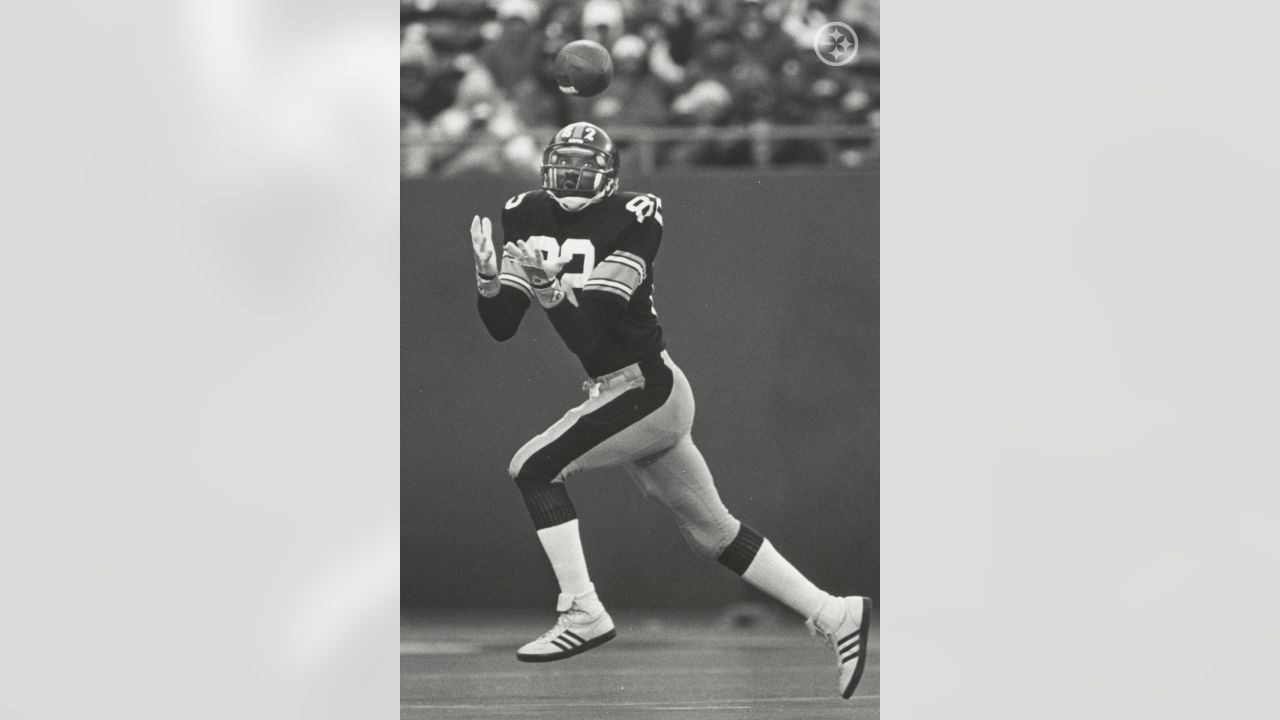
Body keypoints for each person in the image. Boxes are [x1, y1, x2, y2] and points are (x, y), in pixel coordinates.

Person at [467, 121, 872, 699]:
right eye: (564, 165)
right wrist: (488, 280)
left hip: (646, 388)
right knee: (713, 533)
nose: (573, 177)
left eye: (585, 167)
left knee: (533, 467)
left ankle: (582, 610)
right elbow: (502, 326)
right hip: (623, 389)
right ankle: (835, 613)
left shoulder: (635, 215)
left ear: (608, 176)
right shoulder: (525, 212)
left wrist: (552, 289)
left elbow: (587, 328)